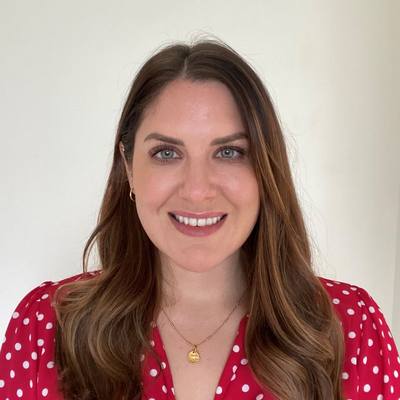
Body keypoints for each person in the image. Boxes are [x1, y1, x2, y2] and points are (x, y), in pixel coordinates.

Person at [0, 38, 399, 400]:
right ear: (129, 167)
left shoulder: (352, 328)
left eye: (229, 152)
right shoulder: (44, 327)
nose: (196, 190)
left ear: (266, 169)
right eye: (166, 153)